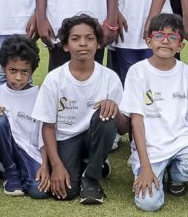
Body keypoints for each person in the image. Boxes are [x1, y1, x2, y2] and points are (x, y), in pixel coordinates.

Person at [121, 13, 188, 211]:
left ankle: (174, 174)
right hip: (152, 148)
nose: (165, 41)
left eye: (172, 37)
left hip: (182, 143)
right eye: (159, 36)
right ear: (149, 41)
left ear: (181, 46)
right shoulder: (137, 72)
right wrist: (145, 167)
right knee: (148, 204)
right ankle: (156, 170)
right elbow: (136, 121)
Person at [34, 15, 124, 204]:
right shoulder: (54, 79)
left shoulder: (110, 77)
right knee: (64, 193)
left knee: (105, 117)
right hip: (66, 138)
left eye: (89, 38)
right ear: (66, 46)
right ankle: (89, 163)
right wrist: (56, 165)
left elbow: (123, 128)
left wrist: (114, 108)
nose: (83, 43)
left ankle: (91, 178)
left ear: (98, 44)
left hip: (95, 135)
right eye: (75, 39)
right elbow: (47, 127)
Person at [0, 36, 49, 199]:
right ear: (3, 68)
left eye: (24, 71)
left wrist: (46, 166)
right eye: (13, 70)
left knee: (40, 192)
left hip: (29, 154)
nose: (18, 77)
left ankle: (13, 173)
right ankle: (11, 173)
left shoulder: (40, 97)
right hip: (1, 156)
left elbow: (44, 137)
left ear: (32, 71)